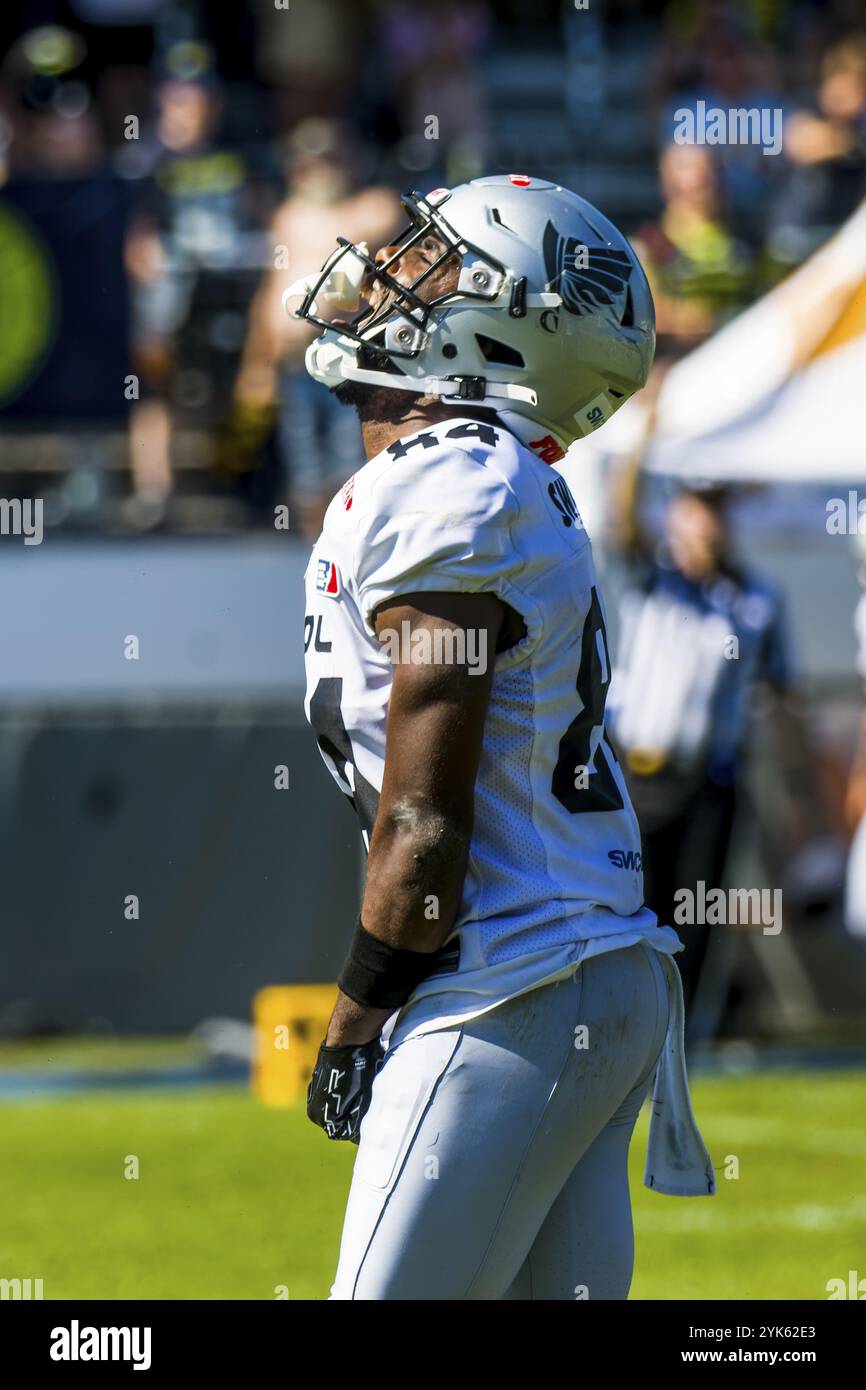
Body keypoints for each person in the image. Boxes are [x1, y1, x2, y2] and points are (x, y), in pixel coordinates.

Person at [298, 174, 714, 1302]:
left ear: (499, 322)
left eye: (435, 264)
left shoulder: (449, 488)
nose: (394, 277)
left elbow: (425, 821)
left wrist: (352, 1015)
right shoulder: (480, 479)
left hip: (511, 979)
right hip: (587, 964)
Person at [606, 482, 819, 1037]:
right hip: (637, 778)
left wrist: (805, 801)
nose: (707, 523)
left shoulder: (755, 597)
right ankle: (625, 1033)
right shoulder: (653, 581)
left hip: (710, 782)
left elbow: (782, 698)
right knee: (632, 912)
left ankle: (681, 1041)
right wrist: (646, 429)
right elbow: (621, 522)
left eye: (717, 510)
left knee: (696, 918)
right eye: (698, 507)